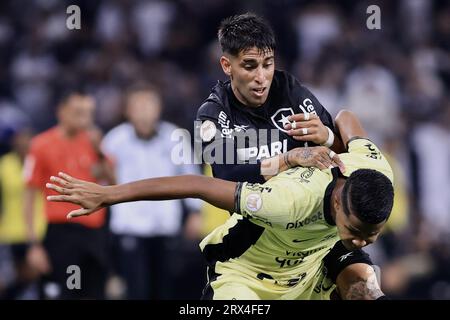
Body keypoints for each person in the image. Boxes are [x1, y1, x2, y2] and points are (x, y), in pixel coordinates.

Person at [45, 110, 394, 300]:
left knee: (366, 289)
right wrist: (108, 195)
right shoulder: (285, 202)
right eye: (357, 231)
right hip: (247, 273)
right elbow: (197, 184)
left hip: (310, 264)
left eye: (372, 235)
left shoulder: (375, 169)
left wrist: (332, 137)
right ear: (336, 200)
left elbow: (348, 117)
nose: (362, 241)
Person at [196, 13, 345, 186]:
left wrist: (328, 138)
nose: (261, 77)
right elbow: (226, 175)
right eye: (250, 66)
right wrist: (290, 158)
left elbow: (342, 152)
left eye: (268, 64)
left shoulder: (289, 90)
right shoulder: (212, 113)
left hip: (304, 208)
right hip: (251, 211)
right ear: (227, 65)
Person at [101, 85, 202, 299]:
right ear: (127, 110)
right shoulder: (114, 140)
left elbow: (190, 174)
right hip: (130, 226)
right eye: (139, 105)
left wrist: (195, 212)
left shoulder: (175, 136)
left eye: (150, 104)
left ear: (159, 108)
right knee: (136, 290)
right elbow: (102, 181)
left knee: (166, 290)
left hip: (166, 225)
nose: (145, 111)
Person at [23, 91, 115, 299]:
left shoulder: (94, 143)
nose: (85, 118)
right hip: (62, 235)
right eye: (78, 112)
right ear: (61, 111)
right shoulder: (41, 145)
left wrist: (99, 151)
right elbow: (28, 197)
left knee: (94, 293)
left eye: (89, 113)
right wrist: (34, 245)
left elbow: (113, 185)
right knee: (69, 292)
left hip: (95, 234)